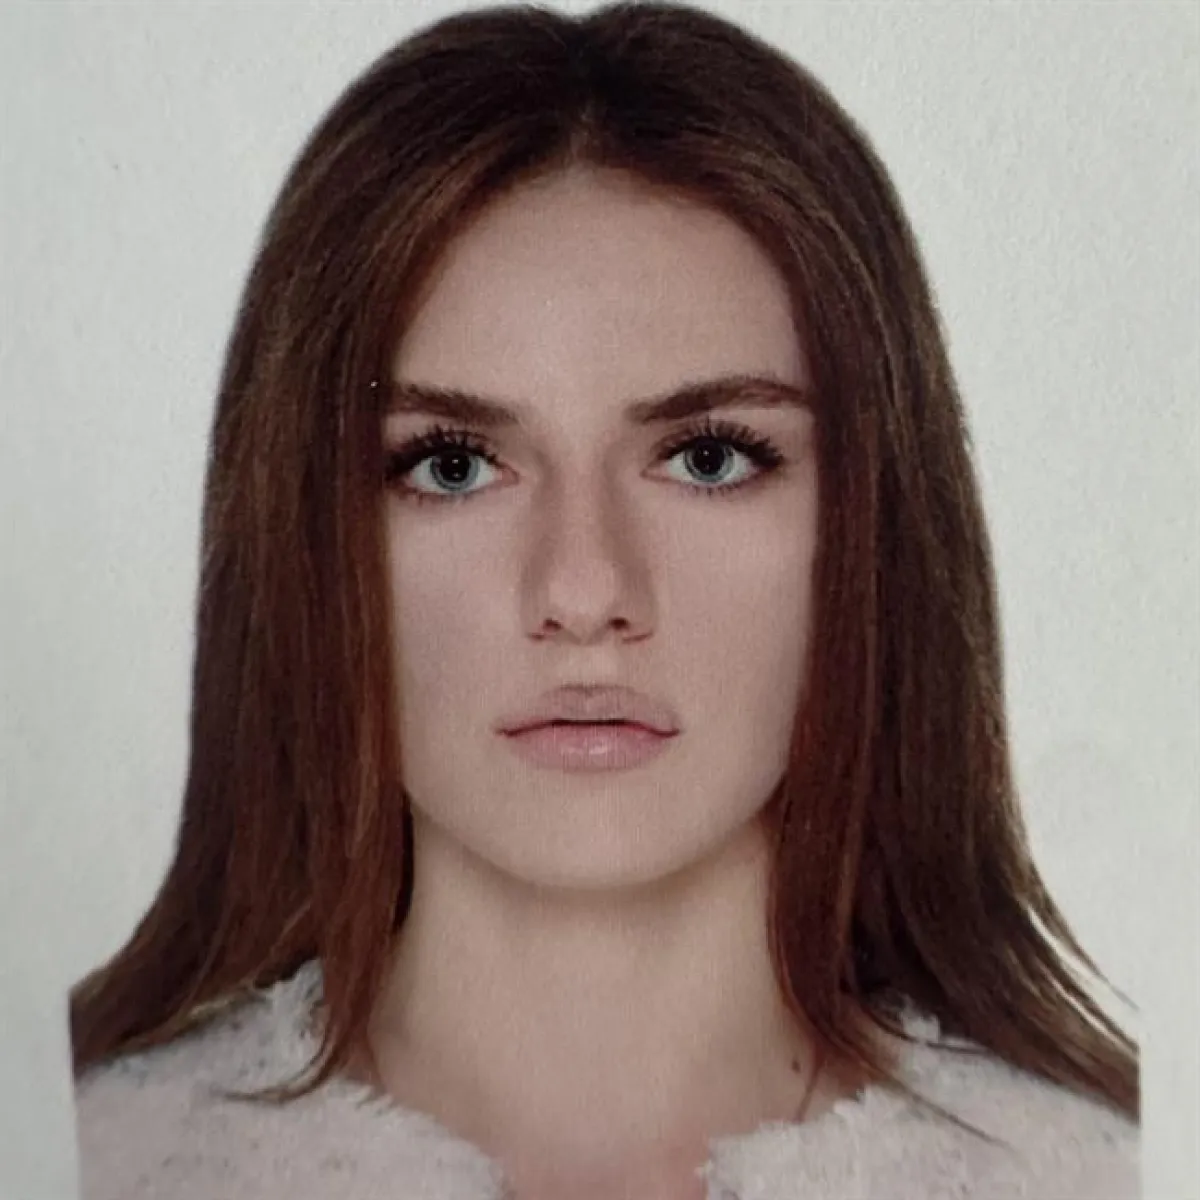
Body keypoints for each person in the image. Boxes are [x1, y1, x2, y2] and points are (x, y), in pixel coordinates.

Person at [70, 3, 1139, 1198]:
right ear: (302, 535)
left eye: (709, 458)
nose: (584, 593)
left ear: (874, 523)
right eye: (453, 466)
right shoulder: (85, 1161)